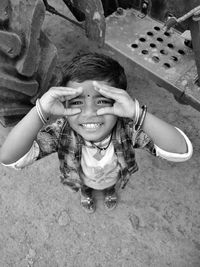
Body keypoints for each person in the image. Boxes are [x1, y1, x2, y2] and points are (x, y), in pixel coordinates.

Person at [0, 52, 193, 213]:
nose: (90, 112)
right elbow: (9, 157)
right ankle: (86, 196)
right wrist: (40, 110)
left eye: (102, 101)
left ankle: (109, 192)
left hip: (113, 175)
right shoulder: (61, 132)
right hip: (81, 176)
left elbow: (180, 150)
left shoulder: (127, 128)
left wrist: (137, 113)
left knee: (109, 185)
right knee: (85, 186)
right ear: (64, 106)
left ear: (119, 103)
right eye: (77, 102)